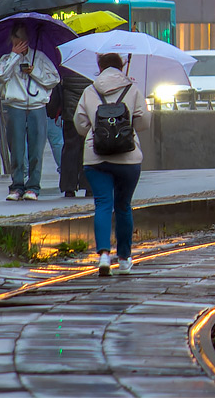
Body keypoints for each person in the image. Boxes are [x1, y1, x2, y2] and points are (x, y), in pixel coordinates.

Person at [72, 52, 150, 274]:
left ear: (99, 67)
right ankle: (124, 259)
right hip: (128, 158)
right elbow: (143, 121)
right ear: (122, 65)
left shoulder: (90, 90)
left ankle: (104, 256)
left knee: (103, 204)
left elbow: (79, 124)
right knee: (123, 206)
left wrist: (99, 133)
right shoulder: (132, 89)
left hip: (96, 158)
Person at [0, 24, 59, 201]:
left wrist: (34, 71)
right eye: (16, 42)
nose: (19, 45)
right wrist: (14, 56)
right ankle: (17, 185)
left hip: (37, 106)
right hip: (16, 106)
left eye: (22, 42)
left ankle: (33, 186)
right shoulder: (7, 58)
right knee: (16, 148)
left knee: (36, 149)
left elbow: (53, 80)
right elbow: (0, 76)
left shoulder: (40, 58)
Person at [49, 62, 94, 197]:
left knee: (70, 148)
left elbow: (62, 82)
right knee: (89, 148)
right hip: (90, 111)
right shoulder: (93, 63)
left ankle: (69, 186)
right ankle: (89, 186)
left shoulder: (69, 60)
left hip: (70, 111)